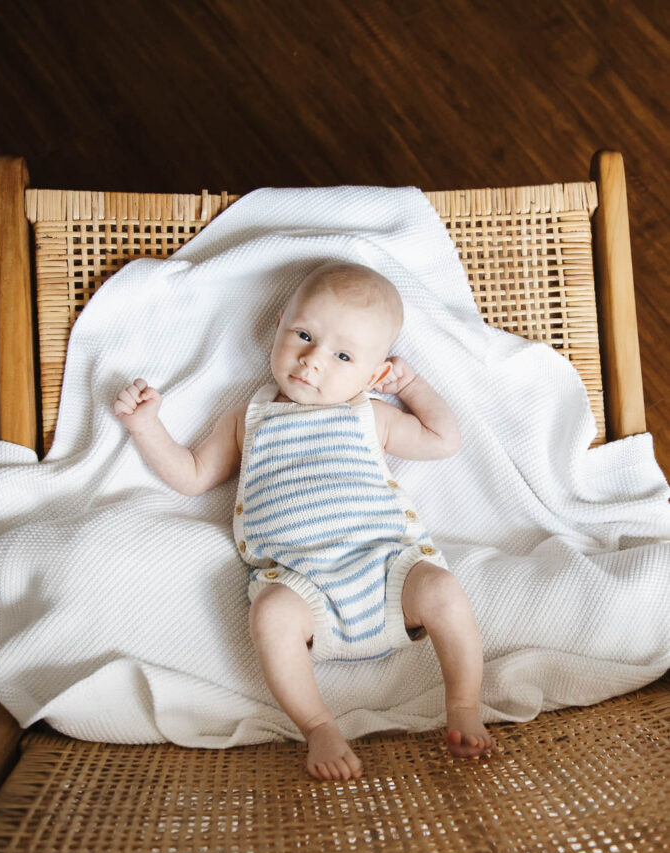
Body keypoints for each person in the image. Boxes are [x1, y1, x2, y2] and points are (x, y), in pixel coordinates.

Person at [114, 262, 496, 781]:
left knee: (444, 590)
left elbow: (443, 439)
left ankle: (465, 702)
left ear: (373, 375)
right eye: (304, 335)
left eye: (342, 356)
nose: (313, 360)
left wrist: (411, 385)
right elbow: (193, 475)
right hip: (302, 587)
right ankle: (318, 726)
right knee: (270, 616)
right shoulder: (248, 419)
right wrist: (145, 426)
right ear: (278, 326)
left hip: (389, 572)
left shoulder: (370, 415)